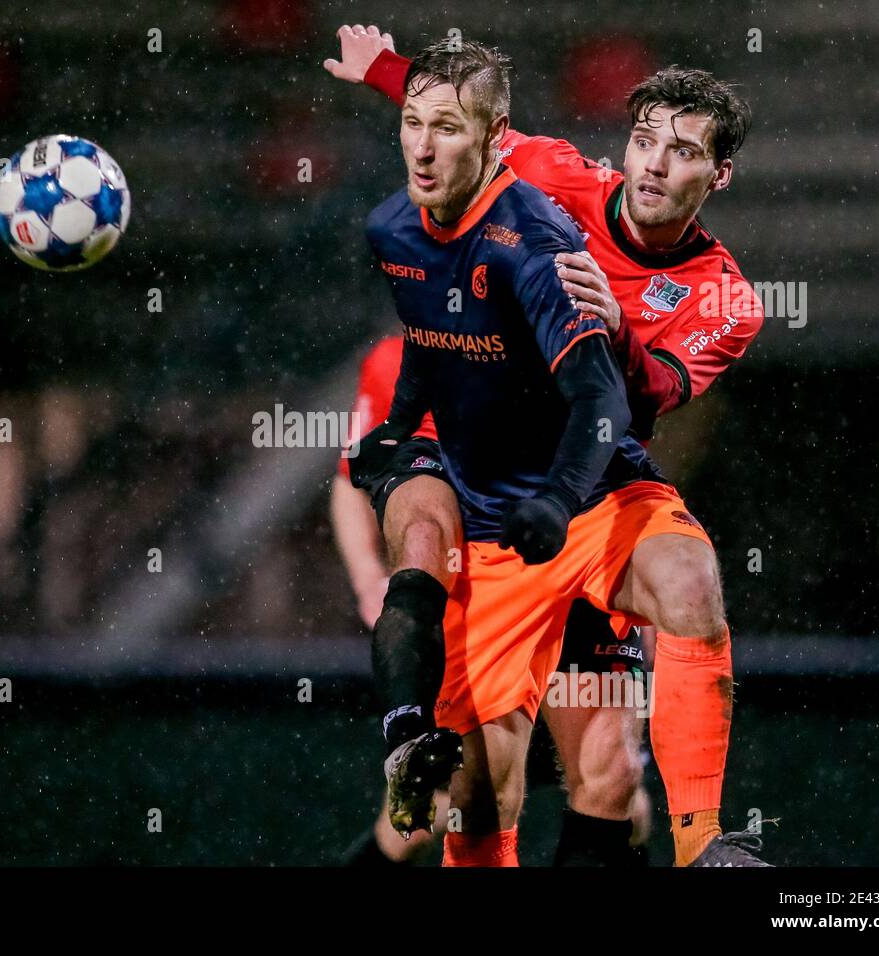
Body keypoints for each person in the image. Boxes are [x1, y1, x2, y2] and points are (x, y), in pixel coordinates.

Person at [326, 26, 768, 866]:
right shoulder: (552, 177)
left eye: (681, 152)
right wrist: (383, 69)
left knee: (621, 737)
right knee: (478, 797)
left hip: (594, 493)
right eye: (644, 141)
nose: (654, 166)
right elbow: (467, 126)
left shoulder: (727, 299)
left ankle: (704, 843)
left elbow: (653, 392)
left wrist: (614, 325)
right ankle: (412, 740)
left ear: (719, 175)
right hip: (496, 509)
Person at [332, 335, 653, 866]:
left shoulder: (573, 349)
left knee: (619, 790)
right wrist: (371, 578)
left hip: (573, 594)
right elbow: (353, 478)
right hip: (481, 611)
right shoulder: (401, 359)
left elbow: (624, 474)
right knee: (445, 811)